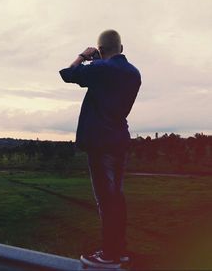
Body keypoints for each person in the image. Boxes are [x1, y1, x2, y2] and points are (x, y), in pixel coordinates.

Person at [59, 29, 141, 269]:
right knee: (117, 196)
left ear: (100, 50)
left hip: (100, 142)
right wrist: (99, 61)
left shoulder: (100, 69)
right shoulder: (133, 73)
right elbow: (109, 82)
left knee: (106, 200)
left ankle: (109, 254)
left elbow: (67, 74)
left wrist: (83, 56)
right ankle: (120, 249)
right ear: (122, 48)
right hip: (119, 140)